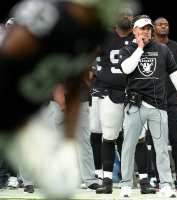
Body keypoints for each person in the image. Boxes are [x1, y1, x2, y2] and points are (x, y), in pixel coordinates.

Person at [0, 0, 130, 198]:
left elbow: (75, 87)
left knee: (60, 186)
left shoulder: (95, 33)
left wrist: (69, 142)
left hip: (26, 114)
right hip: (13, 106)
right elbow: (8, 57)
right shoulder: (49, 16)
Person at [119, 15, 177, 198]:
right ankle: (126, 185)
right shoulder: (128, 49)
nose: (145, 31)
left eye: (148, 28)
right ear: (135, 30)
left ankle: (166, 184)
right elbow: (126, 69)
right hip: (134, 105)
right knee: (128, 146)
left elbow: (175, 74)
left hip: (158, 105)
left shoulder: (163, 49)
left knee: (161, 147)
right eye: (142, 28)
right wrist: (140, 49)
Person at [91, 9, 156, 195]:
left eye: (129, 15)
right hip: (109, 92)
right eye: (121, 14)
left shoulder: (140, 39)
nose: (125, 17)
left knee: (140, 138)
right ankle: (107, 180)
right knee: (109, 136)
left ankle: (144, 180)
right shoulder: (105, 38)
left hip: (134, 94)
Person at [153, 16, 177, 191]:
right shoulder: (147, 47)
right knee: (155, 141)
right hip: (152, 100)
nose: (163, 26)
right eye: (160, 24)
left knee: (176, 141)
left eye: (166, 24)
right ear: (153, 27)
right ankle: (158, 178)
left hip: (173, 100)